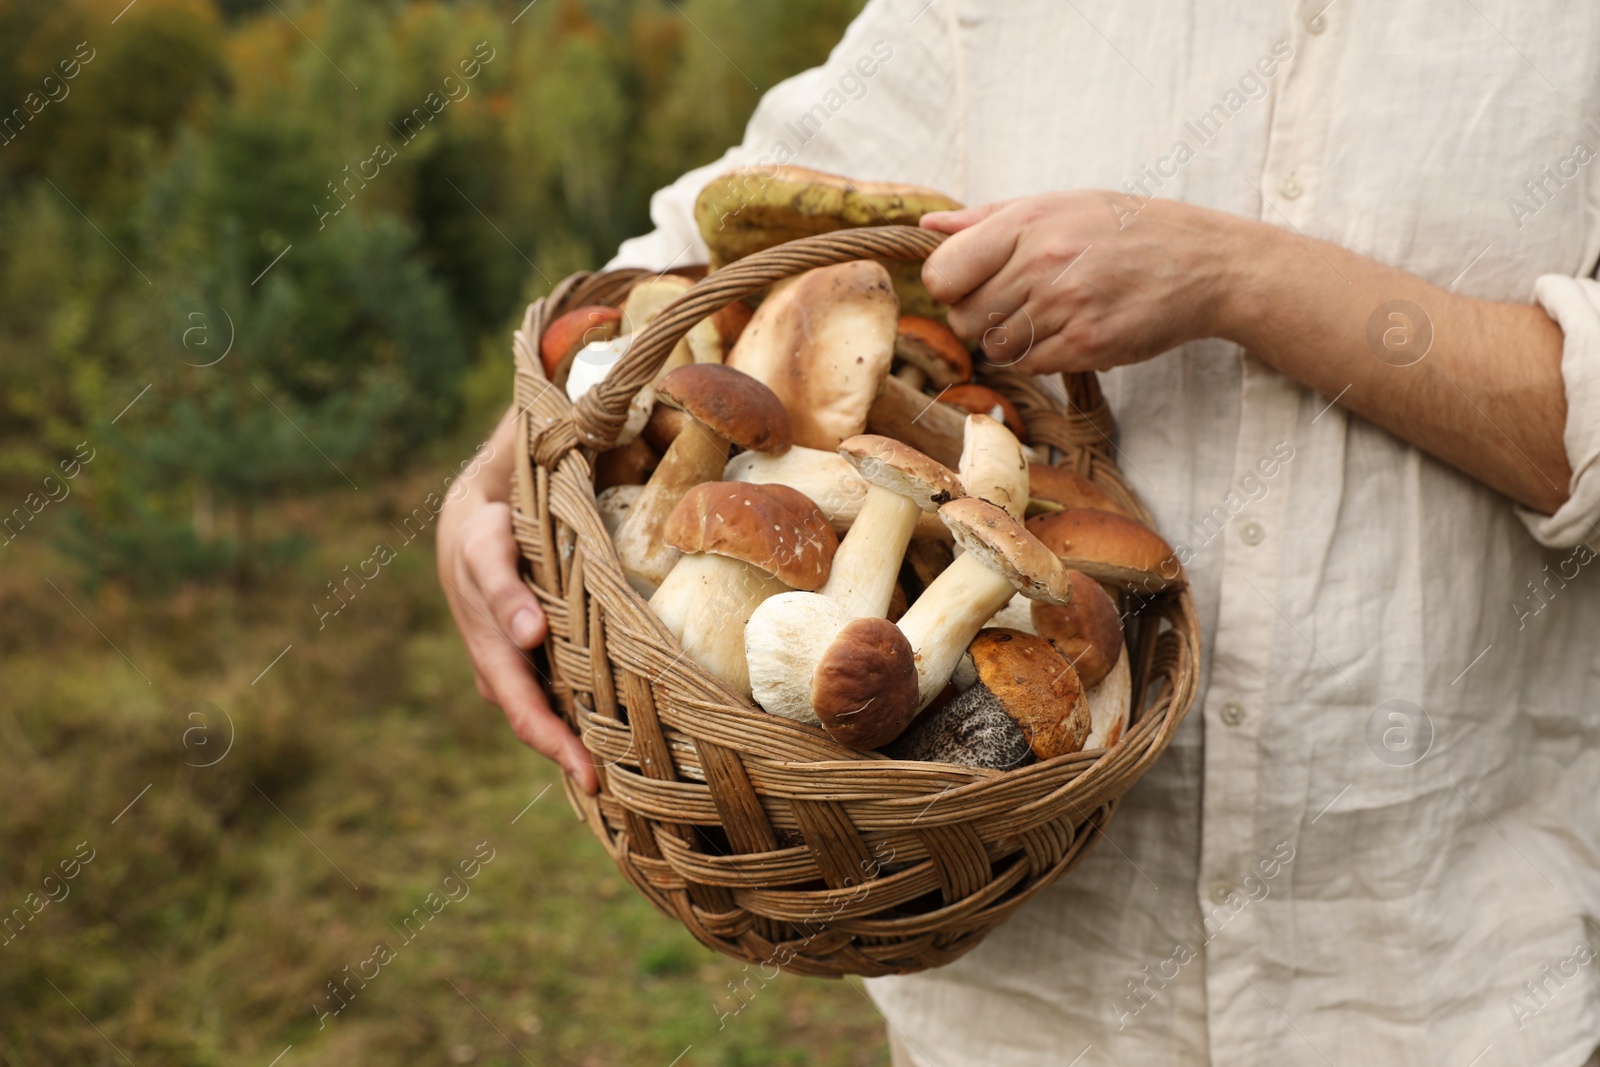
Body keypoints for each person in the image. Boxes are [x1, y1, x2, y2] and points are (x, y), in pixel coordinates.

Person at [440, 2, 1600, 1063]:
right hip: (1028, 983)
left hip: (1446, 974)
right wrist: (497, 473)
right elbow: (728, 228)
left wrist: (1232, 275)